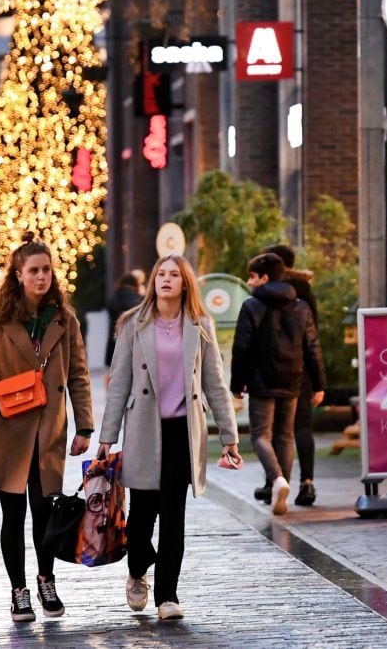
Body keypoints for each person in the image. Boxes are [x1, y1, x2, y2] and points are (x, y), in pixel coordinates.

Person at [98, 254, 241, 621]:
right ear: (153, 282)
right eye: (161, 273)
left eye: (174, 274)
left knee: (174, 515)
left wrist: (229, 435)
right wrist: (107, 437)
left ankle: (167, 596)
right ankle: (137, 569)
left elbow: (214, 383)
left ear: (184, 283)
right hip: (144, 426)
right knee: (142, 514)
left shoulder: (199, 323)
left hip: (183, 430)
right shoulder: (132, 323)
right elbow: (119, 384)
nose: (166, 279)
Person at [0, 234, 93, 622]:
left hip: (49, 430)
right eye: (33, 271)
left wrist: (84, 425)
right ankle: (18, 591)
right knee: (13, 514)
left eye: (46, 270)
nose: (41, 277)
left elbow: (79, 375)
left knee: (45, 512)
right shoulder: (0, 318)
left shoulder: (64, 319)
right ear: (18, 276)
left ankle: (45, 580)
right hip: (7, 428)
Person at [230, 252, 325, 517]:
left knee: (260, 435)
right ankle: (281, 489)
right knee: (285, 436)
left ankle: (277, 480)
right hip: (293, 379)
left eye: (252, 276)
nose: (249, 282)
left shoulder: (251, 306)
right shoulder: (301, 306)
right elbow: (312, 348)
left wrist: (237, 383)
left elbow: (242, 347)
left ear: (265, 277)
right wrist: (319, 384)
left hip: (261, 381)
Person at [261, 243, 320, 506]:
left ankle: (274, 482)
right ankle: (307, 483)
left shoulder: (266, 295)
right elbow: (313, 337)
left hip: (272, 369)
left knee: (275, 431)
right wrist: (320, 381)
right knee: (302, 427)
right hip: (302, 371)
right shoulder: (305, 292)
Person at [104, 270, 145, 367]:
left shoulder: (113, 299)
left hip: (115, 344)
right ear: (136, 285)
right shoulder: (140, 300)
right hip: (135, 346)